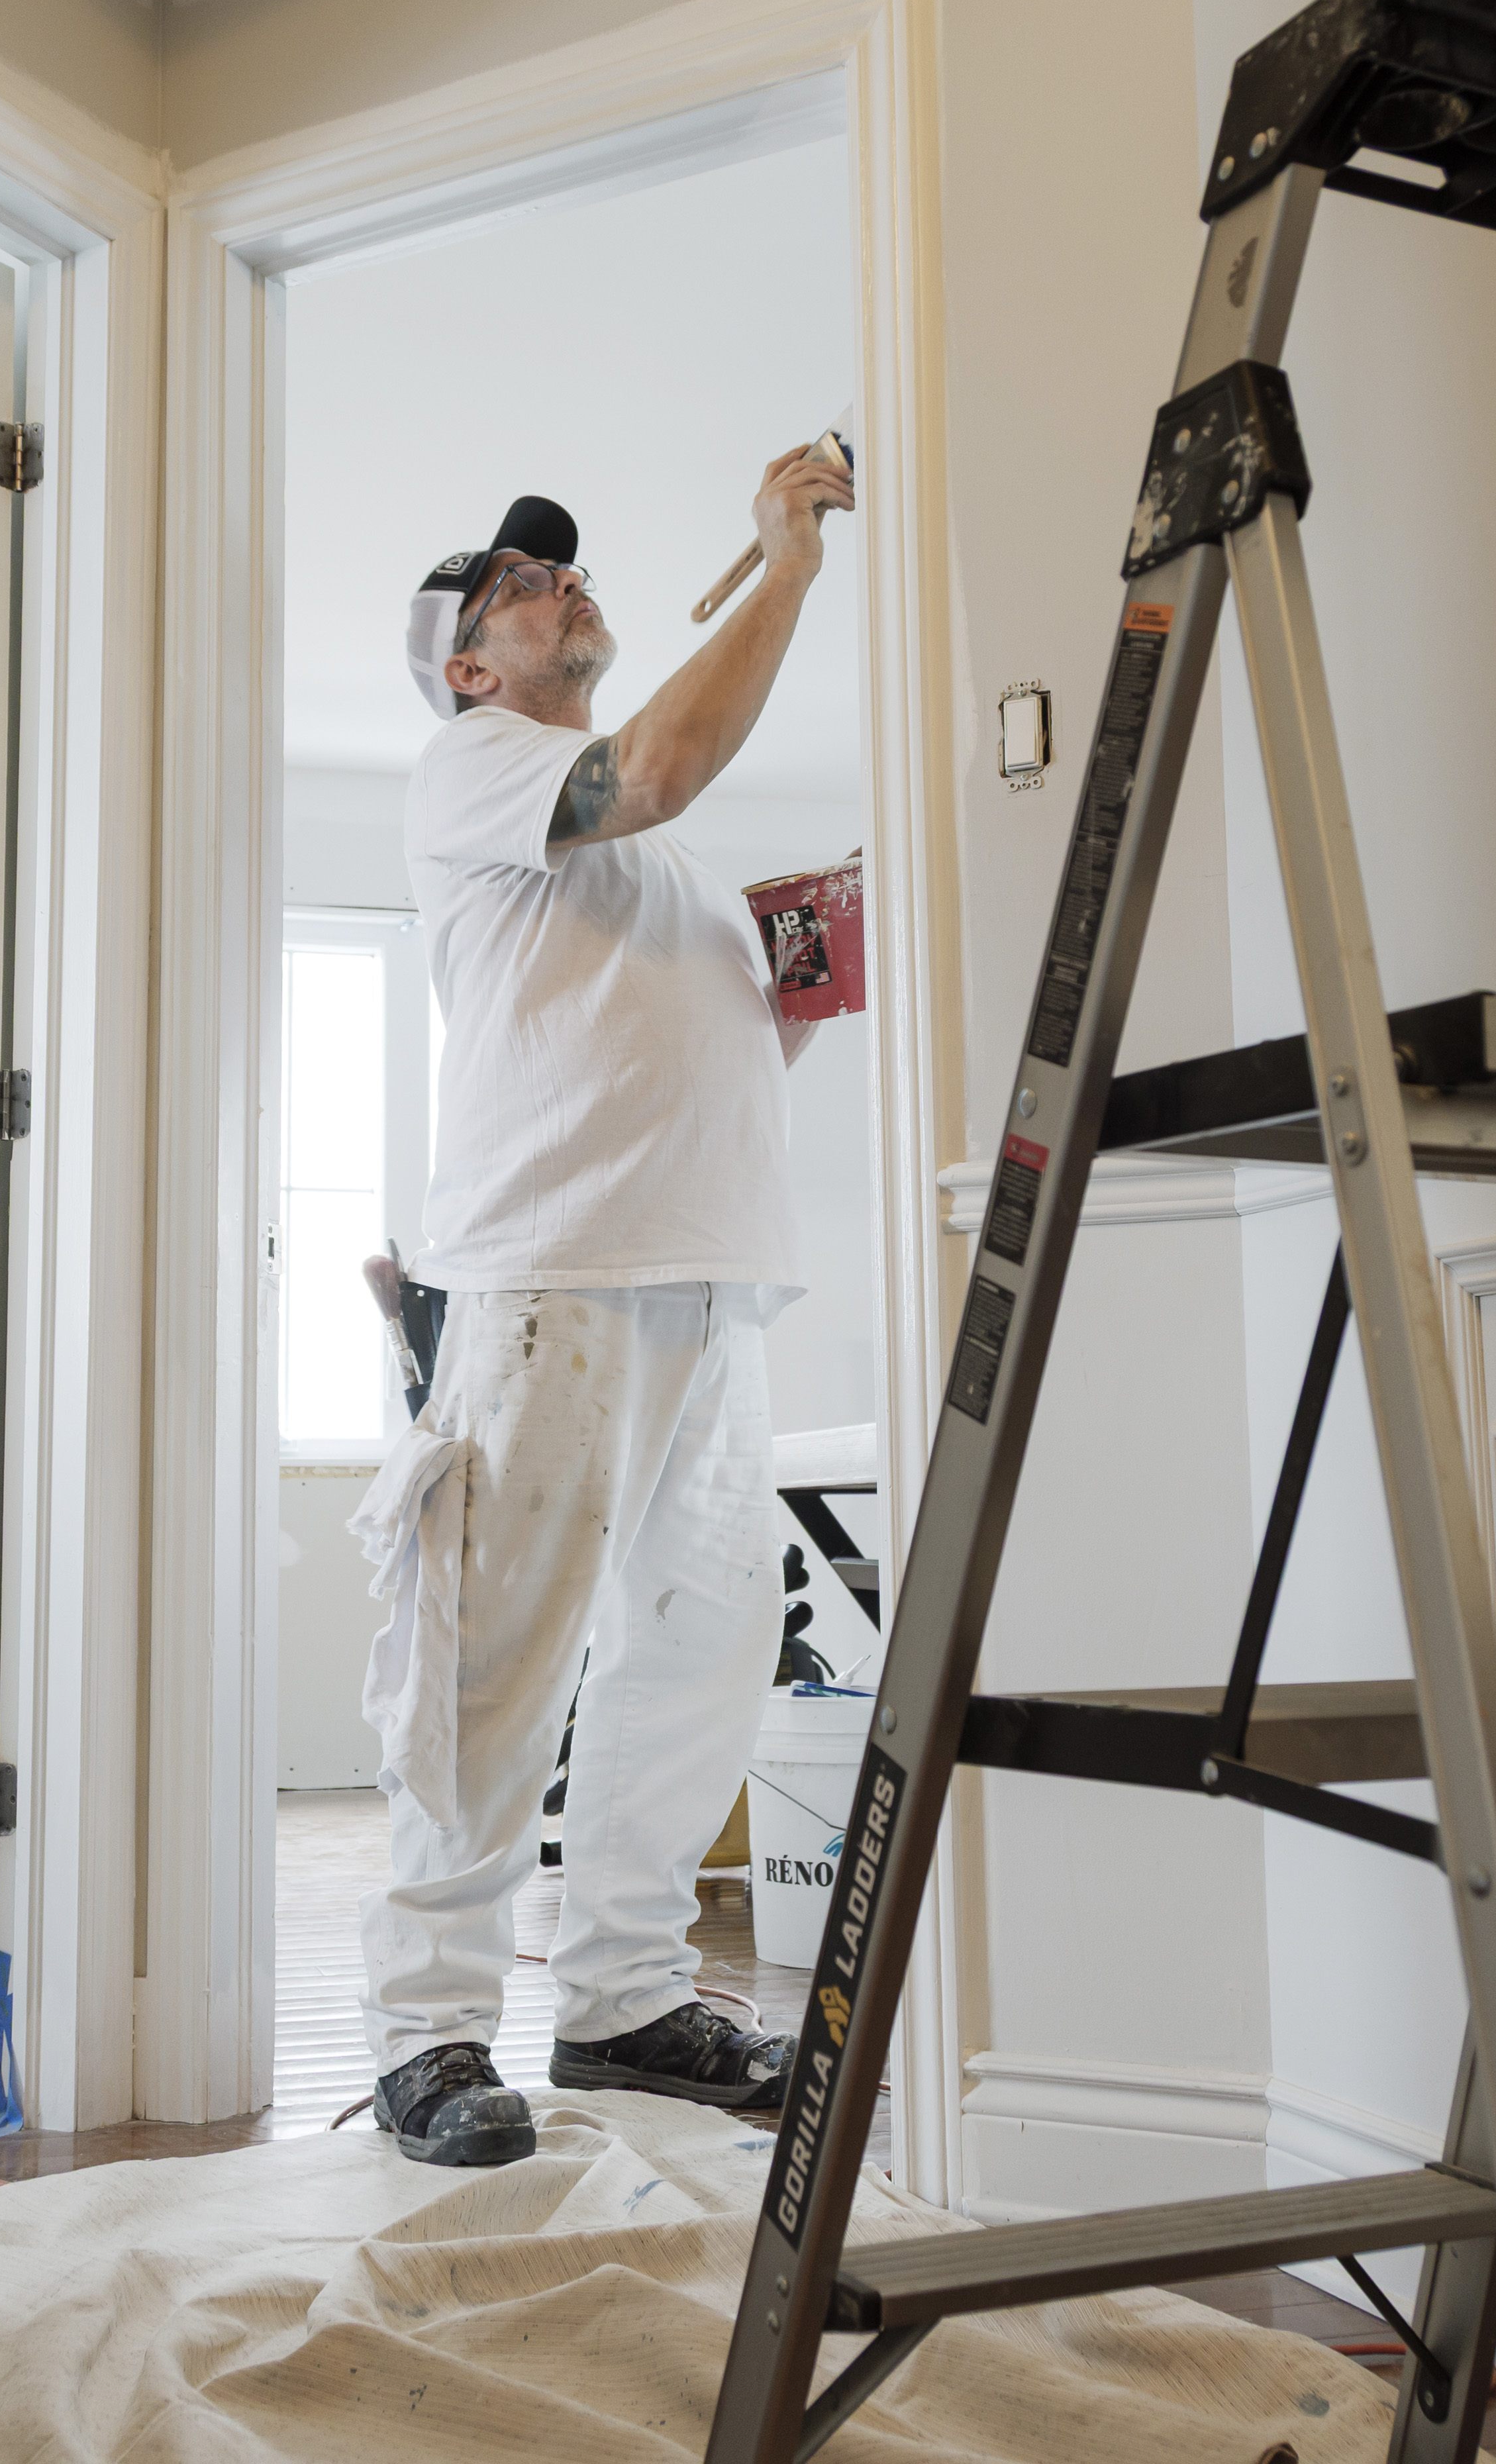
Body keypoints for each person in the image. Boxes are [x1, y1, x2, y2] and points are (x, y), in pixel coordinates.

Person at [351, 448, 858, 2168]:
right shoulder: (474, 766)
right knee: (495, 1658)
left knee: (696, 1654)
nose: (562, 580)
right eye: (520, 582)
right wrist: (787, 566)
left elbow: (706, 1042)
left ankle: (627, 1999)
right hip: (553, 1272)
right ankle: (428, 2029)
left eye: (562, 567)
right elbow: (653, 765)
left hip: (711, 1282)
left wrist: (800, 990)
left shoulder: (667, 867)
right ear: (468, 668)